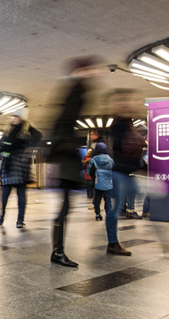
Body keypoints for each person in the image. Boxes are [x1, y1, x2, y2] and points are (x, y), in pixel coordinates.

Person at [48, 56, 101, 267]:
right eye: (89, 70)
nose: (93, 73)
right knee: (64, 208)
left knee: (65, 207)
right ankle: (57, 252)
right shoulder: (74, 93)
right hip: (65, 160)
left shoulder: (74, 93)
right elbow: (63, 121)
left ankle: (58, 251)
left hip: (65, 159)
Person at [106, 89, 146, 256]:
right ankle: (112, 243)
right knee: (115, 209)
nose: (127, 105)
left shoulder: (128, 124)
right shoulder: (119, 125)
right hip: (119, 173)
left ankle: (113, 242)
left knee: (141, 194)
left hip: (128, 173)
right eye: (122, 102)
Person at [0, 108, 41, 228]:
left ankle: (20, 220)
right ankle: (1, 216)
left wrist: (28, 125)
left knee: (21, 194)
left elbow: (38, 136)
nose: (13, 118)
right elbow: (0, 146)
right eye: (12, 116)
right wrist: (5, 149)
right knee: (4, 195)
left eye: (16, 116)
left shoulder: (26, 133)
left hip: (20, 167)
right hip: (7, 166)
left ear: (22, 118)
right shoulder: (8, 132)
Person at [89, 142, 113, 221]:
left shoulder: (94, 159)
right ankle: (108, 214)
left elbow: (89, 170)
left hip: (97, 183)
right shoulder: (110, 159)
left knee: (97, 199)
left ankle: (98, 214)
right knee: (108, 199)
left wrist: (93, 177)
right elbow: (113, 169)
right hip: (108, 183)